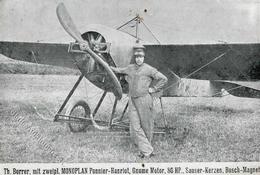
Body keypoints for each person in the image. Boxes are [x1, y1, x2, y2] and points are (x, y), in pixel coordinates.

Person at [110, 42, 168, 158]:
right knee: (135, 126)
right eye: (136, 57)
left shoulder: (149, 69)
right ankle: (148, 150)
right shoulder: (130, 68)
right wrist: (105, 65)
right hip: (132, 100)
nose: (138, 59)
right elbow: (118, 70)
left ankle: (145, 151)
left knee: (146, 125)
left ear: (144, 57)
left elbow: (164, 79)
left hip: (144, 99)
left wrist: (154, 88)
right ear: (134, 57)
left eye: (140, 57)